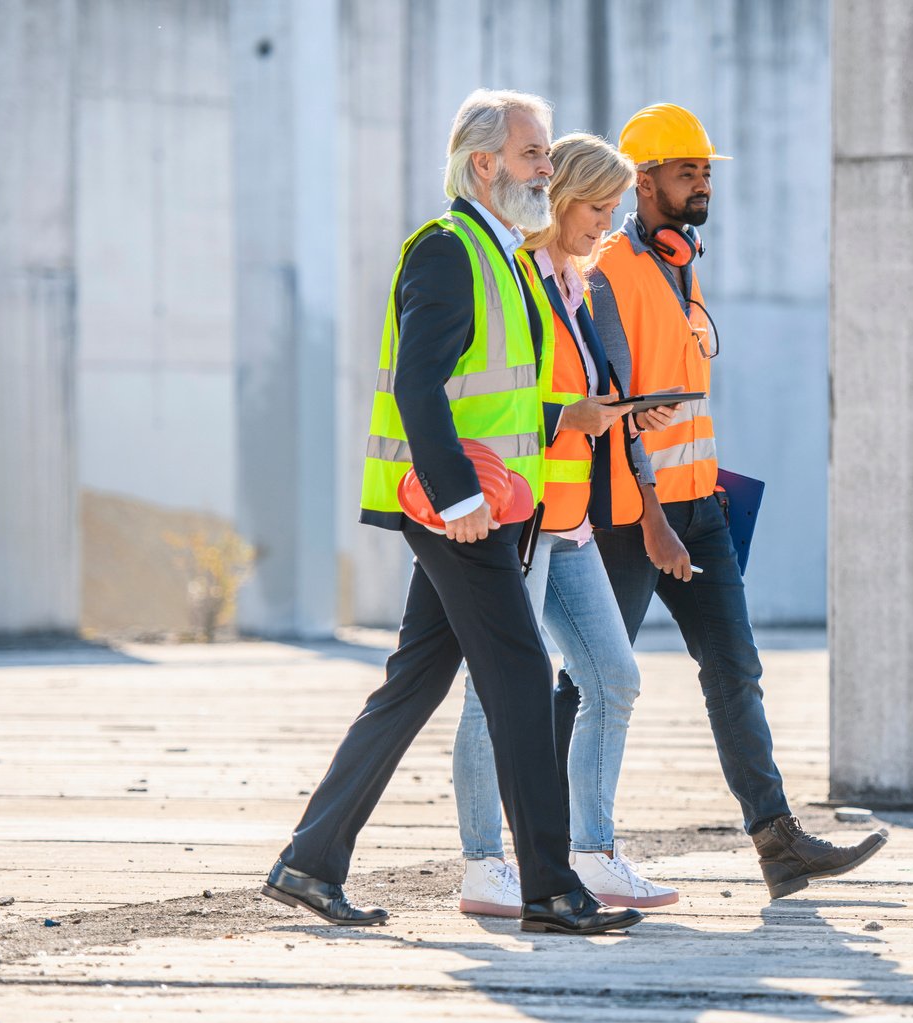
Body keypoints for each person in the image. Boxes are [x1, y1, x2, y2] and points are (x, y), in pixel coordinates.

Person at [261, 89, 641, 936]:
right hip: (458, 510)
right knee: (521, 677)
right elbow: (422, 389)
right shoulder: (445, 250)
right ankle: (550, 888)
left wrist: (547, 437)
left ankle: (309, 861)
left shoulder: (498, 250)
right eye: (534, 154)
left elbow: (497, 399)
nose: (547, 168)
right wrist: (460, 498)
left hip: (489, 504)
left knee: (416, 679)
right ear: (485, 163)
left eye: (543, 154)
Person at [562, 103, 889, 900]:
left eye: (706, 168)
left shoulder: (681, 264)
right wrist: (652, 520)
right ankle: (552, 847)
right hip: (636, 517)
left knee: (735, 669)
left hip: (701, 506)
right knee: (592, 683)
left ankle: (777, 842)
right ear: (643, 183)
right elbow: (614, 413)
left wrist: (695, 506)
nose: (702, 181)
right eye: (687, 170)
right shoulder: (608, 275)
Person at [450, 133, 684, 918]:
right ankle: (484, 865)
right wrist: (565, 414)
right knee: (494, 693)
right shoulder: (515, 276)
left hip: (571, 516)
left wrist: (614, 411)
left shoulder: (576, 282)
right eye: (597, 205)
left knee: (612, 677)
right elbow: (500, 398)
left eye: (616, 207)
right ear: (559, 200)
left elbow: (579, 391)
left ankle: (592, 852)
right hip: (521, 518)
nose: (608, 220)